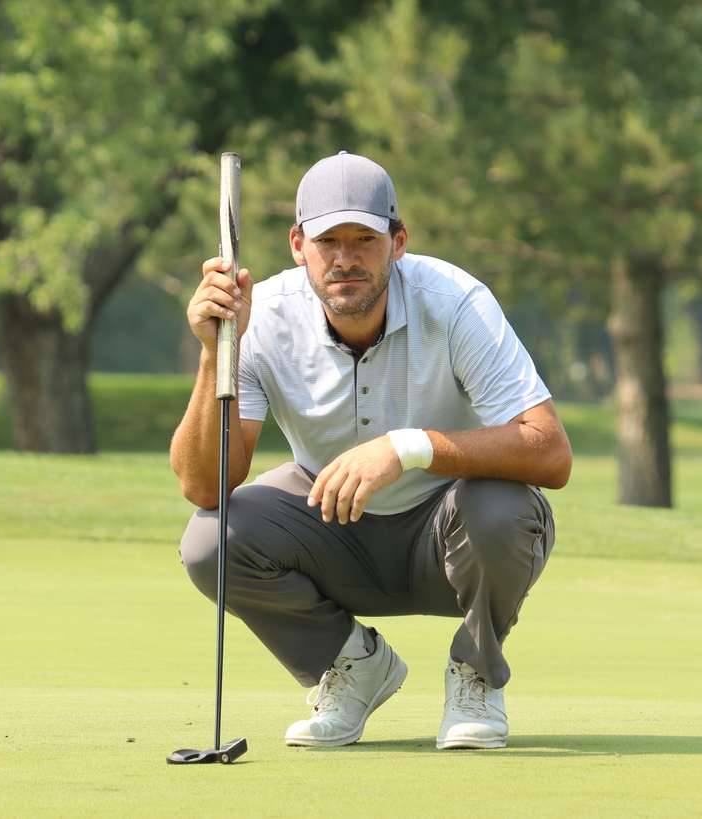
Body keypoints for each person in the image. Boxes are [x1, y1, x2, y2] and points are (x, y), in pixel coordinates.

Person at [170, 151, 572, 750]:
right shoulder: (263, 317)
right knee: (211, 540)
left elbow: (550, 452)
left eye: (365, 240)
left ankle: (477, 675)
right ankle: (353, 667)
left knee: (504, 508)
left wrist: (407, 448)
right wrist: (214, 353)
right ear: (298, 245)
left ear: (398, 242)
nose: (346, 259)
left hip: (448, 535)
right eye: (328, 241)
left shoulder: (455, 301)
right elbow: (205, 487)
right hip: (331, 529)